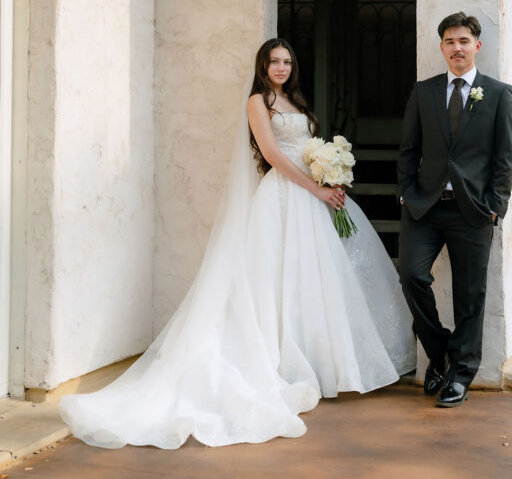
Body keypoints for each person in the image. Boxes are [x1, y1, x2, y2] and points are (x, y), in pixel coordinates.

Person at [60, 38, 415, 449]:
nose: (280, 68)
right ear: (262, 66)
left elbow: (305, 150)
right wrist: (315, 190)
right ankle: (277, 362)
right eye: (273, 62)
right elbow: (274, 154)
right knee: (274, 279)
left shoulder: (297, 102)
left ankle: (319, 366)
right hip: (284, 196)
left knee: (313, 280)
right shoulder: (257, 102)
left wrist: (327, 178)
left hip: (312, 197)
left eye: (286, 61)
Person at [397, 12, 512, 408]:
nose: (457, 48)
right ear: (442, 48)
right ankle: (440, 352)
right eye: (450, 42)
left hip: (474, 211)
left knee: (470, 295)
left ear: (477, 46)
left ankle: (460, 374)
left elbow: (506, 156)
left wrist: (496, 206)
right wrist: (406, 192)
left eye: (464, 41)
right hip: (425, 207)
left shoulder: (498, 94)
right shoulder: (424, 91)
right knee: (412, 276)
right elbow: (409, 150)